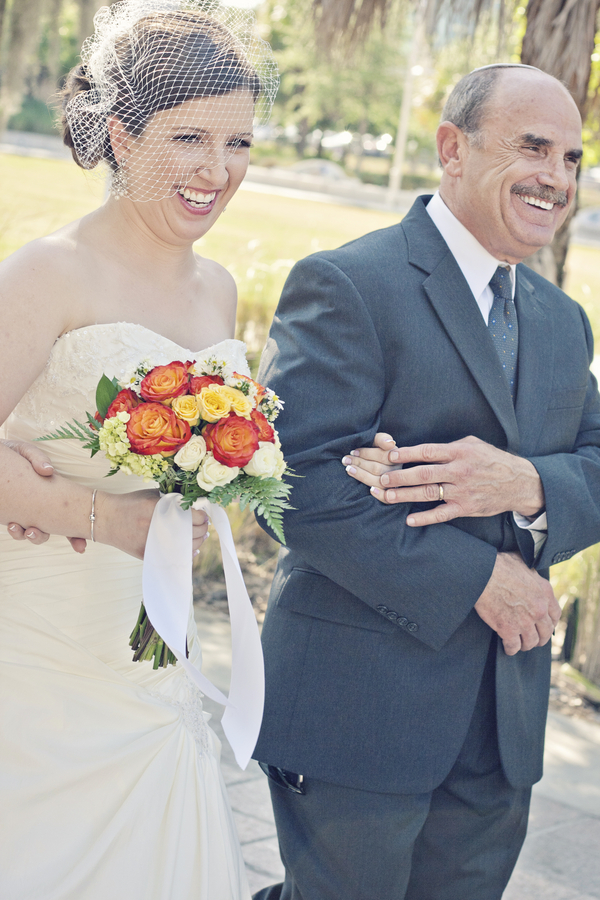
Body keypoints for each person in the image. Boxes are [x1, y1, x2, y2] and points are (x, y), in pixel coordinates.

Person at [252, 64, 600, 900]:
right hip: (358, 710)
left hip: (501, 725)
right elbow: (295, 488)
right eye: (533, 147)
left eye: (573, 158)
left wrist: (524, 483)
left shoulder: (562, 319)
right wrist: (481, 577)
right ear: (452, 148)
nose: (557, 176)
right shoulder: (348, 284)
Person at [0, 2, 277, 898]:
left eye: (237, 143)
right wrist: (94, 515)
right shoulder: (51, 272)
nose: (216, 170)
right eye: (188, 137)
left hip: (151, 653)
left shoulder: (219, 287)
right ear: (120, 134)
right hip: (36, 649)